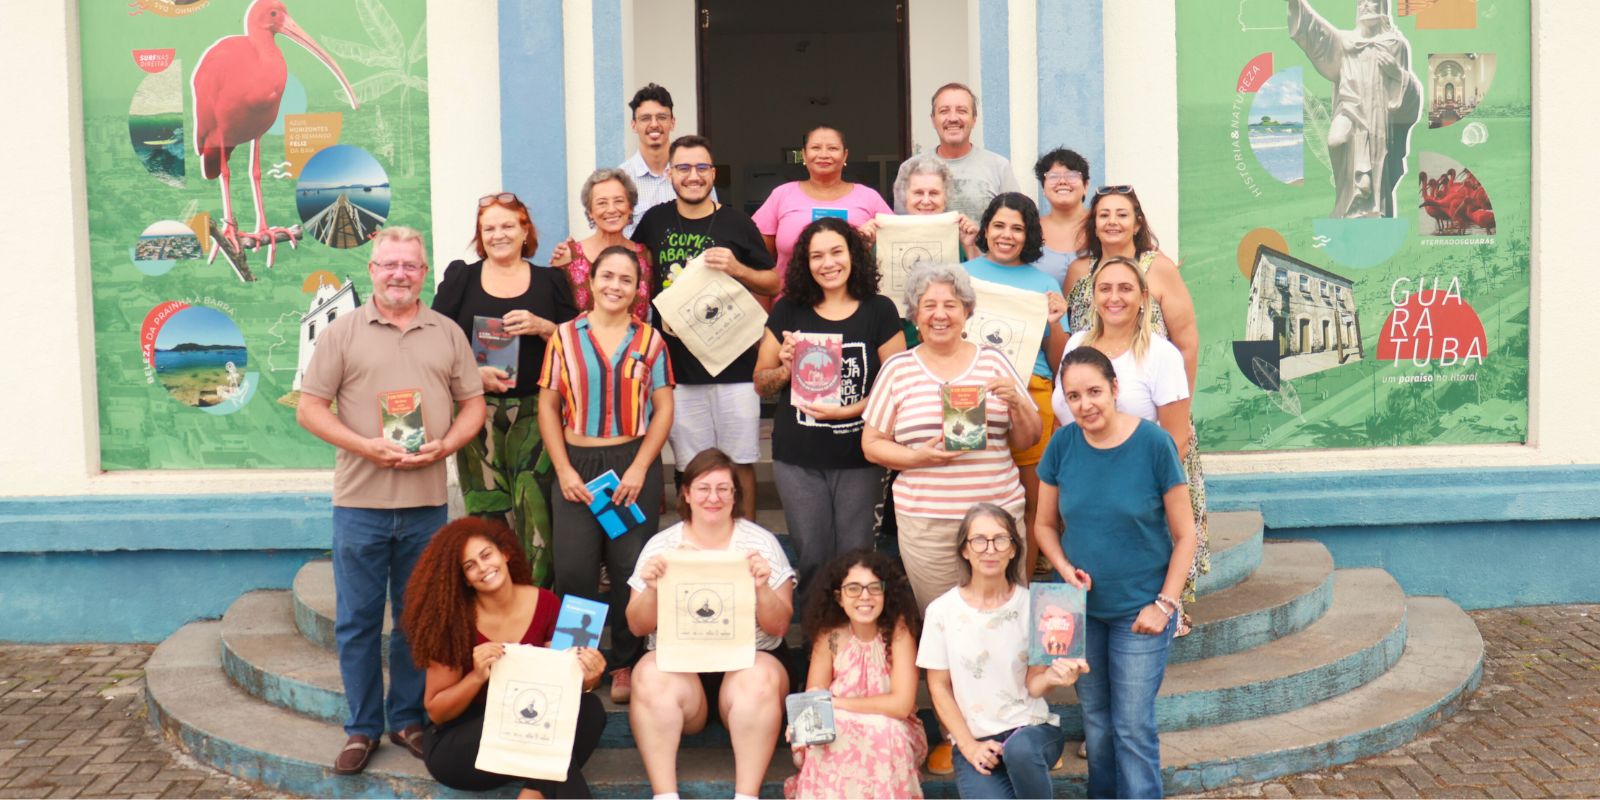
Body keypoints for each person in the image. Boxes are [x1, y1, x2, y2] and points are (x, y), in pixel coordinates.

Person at [295, 226, 487, 774]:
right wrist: (364, 446)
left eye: (410, 265)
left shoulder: (446, 332)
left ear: (424, 273)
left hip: (427, 506)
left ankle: (407, 720)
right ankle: (361, 729)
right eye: (389, 265)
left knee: (416, 621)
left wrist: (447, 444)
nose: (399, 273)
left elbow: (472, 404)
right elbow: (310, 408)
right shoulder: (343, 332)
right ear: (373, 269)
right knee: (356, 621)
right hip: (359, 503)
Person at [1035, 347, 1199, 799]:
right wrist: (1063, 566)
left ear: (1115, 389)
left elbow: (1186, 535)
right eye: (1073, 396)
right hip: (1081, 612)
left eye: (1094, 391)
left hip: (1140, 610)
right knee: (1097, 726)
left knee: (1132, 727)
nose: (1085, 404)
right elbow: (1044, 525)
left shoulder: (1153, 444)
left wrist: (1165, 605)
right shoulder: (1062, 446)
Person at [1062, 187, 1208, 624]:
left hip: (1157, 415)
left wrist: (1177, 407)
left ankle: (1170, 605)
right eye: (1103, 214)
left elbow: (1187, 341)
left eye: (1121, 214)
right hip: (1094, 422)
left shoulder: (1158, 268)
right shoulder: (1078, 273)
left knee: (1162, 516)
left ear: (1138, 222)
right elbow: (1071, 341)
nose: (1111, 222)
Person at [538, 246, 675, 705]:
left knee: (628, 568)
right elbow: (548, 405)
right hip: (577, 466)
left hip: (633, 466)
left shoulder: (650, 341)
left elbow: (663, 409)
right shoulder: (563, 337)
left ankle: (625, 661)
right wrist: (563, 468)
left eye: (626, 279)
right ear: (590, 281)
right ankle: (579, 656)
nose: (615, 286)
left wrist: (639, 467)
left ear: (638, 289)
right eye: (607, 276)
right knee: (574, 566)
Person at [862, 262, 1040, 612]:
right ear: (914, 315)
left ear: (967, 312)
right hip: (928, 523)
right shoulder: (898, 369)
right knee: (942, 620)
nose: (939, 315)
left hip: (997, 515)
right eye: (929, 306)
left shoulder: (994, 361)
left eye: (951, 305)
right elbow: (871, 444)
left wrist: (1018, 403)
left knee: (1004, 615)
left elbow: (1028, 439)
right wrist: (916, 458)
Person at [625, 448, 796, 800]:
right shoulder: (662, 545)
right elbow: (637, 627)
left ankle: (746, 795)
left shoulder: (760, 543)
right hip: (683, 673)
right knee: (648, 673)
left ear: (736, 495)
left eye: (723, 488)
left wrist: (762, 588)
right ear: (686, 493)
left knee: (760, 679)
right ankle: (664, 795)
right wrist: (653, 589)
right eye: (703, 488)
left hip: (748, 661)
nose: (713, 497)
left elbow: (779, 626)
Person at [753, 218, 905, 608]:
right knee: (813, 557)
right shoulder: (788, 310)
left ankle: (861, 645)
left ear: (853, 255)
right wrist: (786, 368)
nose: (828, 263)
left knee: (857, 557)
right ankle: (817, 644)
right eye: (816, 255)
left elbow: (897, 384)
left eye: (837, 252)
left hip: (861, 456)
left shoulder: (880, 310)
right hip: (798, 458)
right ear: (805, 262)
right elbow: (761, 382)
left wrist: (849, 411)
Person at [402, 518, 608, 799]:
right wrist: (476, 676)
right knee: (543, 744)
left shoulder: (547, 603)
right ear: (464, 579)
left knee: (590, 710)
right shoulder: (455, 621)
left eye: (486, 555)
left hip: (529, 727)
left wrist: (588, 678)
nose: (483, 567)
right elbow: (437, 711)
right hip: (466, 741)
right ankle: (537, 790)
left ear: (505, 553)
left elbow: (562, 687)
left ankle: (533, 792)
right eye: (470, 566)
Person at [434, 193, 579, 586]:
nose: (498, 234)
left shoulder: (551, 281)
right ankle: (493, 604)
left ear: (524, 230)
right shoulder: (461, 278)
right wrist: (471, 373)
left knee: (536, 515)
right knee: (485, 515)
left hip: (537, 412)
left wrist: (542, 326)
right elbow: (433, 342)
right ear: (480, 236)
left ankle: (535, 602)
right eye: (489, 228)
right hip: (475, 415)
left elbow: (580, 343)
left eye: (507, 226)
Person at [631, 134, 779, 519]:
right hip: (677, 370)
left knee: (740, 462)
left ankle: (746, 543)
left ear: (713, 173)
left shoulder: (737, 223)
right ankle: (695, 540)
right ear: (670, 173)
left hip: (736, 366)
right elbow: (628, 265)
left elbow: (773, 282)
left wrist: (738, 268)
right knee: (689, 467)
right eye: (683, 168)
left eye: (701, 168)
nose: (692, 176)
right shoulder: (654, 221)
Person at [919, 504, 1085, 799]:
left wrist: (1055, 678)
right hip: (976, 740)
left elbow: (1035, 685)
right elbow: (938, 687)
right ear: (965, 550)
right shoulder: (941, 612)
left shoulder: (1037, 605)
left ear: (1013, 549)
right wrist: (968, 745)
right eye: (979, 540)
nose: (990, 549)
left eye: (1000, 539)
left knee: (1020, 751)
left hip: (1030, 731)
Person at [961, 192, 1069, 572]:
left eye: (1017, 228)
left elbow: (1058, 360)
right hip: (970, 393)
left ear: (1029, 235)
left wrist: (1056, 322)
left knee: (1032, 497)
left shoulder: (1044, 282)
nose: (1007, 235)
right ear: (986, 229)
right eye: (999, 226)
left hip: (1032, 389)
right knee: (972, 484)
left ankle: (1022, 585)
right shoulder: (963, 275)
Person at [784, 550, 928, 800]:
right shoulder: (829, 635)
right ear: (839, 597)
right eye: (853, 589)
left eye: (874, 588)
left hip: (894, 727)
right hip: (838, 725)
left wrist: (836, 704)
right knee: (829, 735)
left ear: (886, 593)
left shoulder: (899, 632)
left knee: (884, 731)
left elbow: (901, 705)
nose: (864, 596)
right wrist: (804, 720)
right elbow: (815, 696)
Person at [1285, 0, 1422, 219]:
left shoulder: (1395, 44)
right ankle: (1348, 196)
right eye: (1362, 1)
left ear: (1383, 7)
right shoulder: (1345, 41)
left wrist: (1397, 73)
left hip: (1377, 116)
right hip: (1349, 107)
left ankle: (1366, 202)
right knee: (1336, 141)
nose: (1367, 5)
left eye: (1373, 1)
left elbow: (1413, 94)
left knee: (1378, 165)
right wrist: (1296, 3)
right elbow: (1317, 32)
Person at [753, 126, 893, 288]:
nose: (824, 155)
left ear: (845, 155)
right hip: (792, 303)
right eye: (815, 148)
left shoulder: (869, 197)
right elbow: (759, 260)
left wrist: (871, 242)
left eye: (833, 148)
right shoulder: (782, 195)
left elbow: (896, 246)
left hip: (855, 301)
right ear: (804, 155)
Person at [892, 83, 1021, 222]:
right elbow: (902, 226)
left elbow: (1016, 221)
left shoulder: (998, 167)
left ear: (974, 119)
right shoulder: (911, 168)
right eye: (944, 111)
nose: (953, 118)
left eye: (962, 110)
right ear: (933, 120)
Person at [549, 169, 655, 320]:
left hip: (639, 343)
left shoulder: (646, 257)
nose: (611, 209)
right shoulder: (568, 256)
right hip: (581, 343)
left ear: (630, 207)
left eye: (619, 201)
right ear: (590, 211)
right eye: (602, 203)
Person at [619, 83, 715, 235]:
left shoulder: (696, 176)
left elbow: (713, 223)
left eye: (662, 117)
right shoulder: (621, 179)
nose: (654, 124)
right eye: (645, 118)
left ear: (672, 122)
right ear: (634, 125)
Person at [1034, 147, 1093, 285]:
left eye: (1072, 175)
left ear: (1086, 185)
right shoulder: (1030, 229)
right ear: (1043, 188)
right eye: (1053, 176)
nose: (1062, 181)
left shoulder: (1103, 225)